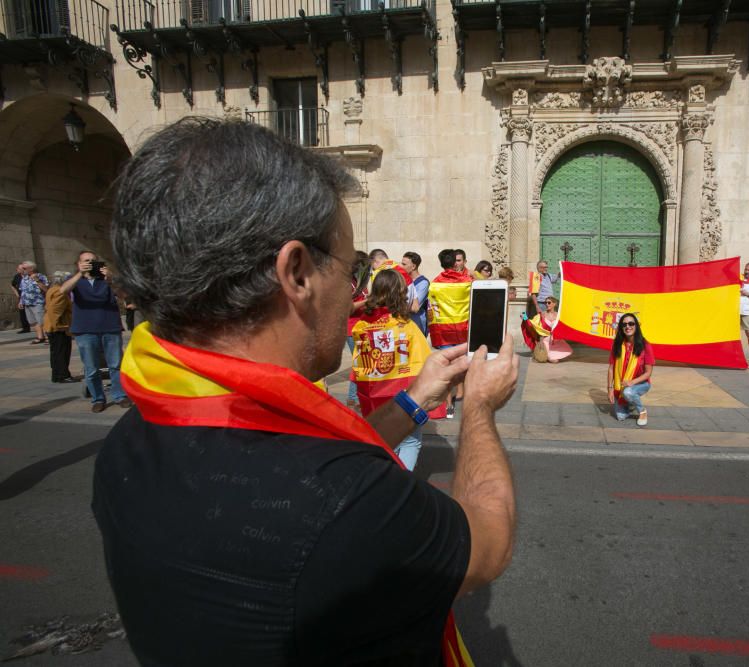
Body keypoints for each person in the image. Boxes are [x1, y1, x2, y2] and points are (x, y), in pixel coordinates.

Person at [94, 118, 519, 666]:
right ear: (296, 273)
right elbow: (489, 542)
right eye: (350, 269)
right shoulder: (349, 503)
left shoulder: (132, 438)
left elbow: (315, 453)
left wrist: (416, 397)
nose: (357, 291)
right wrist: (480, 409)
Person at [352, 269, 436, 470]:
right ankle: (400, 482)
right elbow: (425, 362)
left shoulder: (361, 326)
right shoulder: (406, 326)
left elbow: (358, 364)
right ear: (400, 293)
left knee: (380, 440)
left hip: (373, 397)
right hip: (402, 397)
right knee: (409, 441)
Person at [60, 251, 130, 412]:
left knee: (116, 365)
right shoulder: (75, 281)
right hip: (85, 330)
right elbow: (62, 291)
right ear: (78, 263)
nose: (90, 263)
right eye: (86, 261)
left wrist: (111, 280)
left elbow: (124, 296)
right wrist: (80, 274)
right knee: (91, 368)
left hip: (110, 327)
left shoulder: (106, 280)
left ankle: (120, 395)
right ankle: (98, 398)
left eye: (93, 261)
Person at [428, 248, 473, 419]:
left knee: (446, 368)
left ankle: (449, 407)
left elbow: (431, 308)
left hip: (443, 331)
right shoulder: (467, 281)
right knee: (463, 365)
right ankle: (465, 398)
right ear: (455, 262)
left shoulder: (435, 283)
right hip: (462, 330)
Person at [606, 313, 654, 427]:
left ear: (636, 326)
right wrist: (609, 389)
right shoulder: (617, 344)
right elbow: (611, 369)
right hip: (621, 385)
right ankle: (630, 402)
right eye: (624, 324)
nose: (628, 327)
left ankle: (642, 412)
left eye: (631, 323)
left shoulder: (644, 345)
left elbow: (648, 373)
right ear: (621, 328)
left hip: (641, 383)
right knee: (620, 417)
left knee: (628, 392)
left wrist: (631, 382)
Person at [344, 250, 372, 411]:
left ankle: (355, 397)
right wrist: (366, 301)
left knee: (361, 363)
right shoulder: (348, 283)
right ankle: (352, 398)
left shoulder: (358, 281)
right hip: (352, 328)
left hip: (361, 327)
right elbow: (348, 308)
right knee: (359, 364)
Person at [44, 271, 77, 383]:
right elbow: (55, 310)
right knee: (62, 352)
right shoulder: (59, 291)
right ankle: (63, 375)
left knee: (56, 352)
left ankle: (57, 375)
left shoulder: (52, 289)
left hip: (53, 326)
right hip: (59, 327)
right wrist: (59, 326)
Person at [522, 296, 572, 363]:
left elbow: (564, 326)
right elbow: (532, 324)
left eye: (549, 302)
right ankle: (546, 355)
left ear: (554, 304)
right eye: (546, 303)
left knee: (560, 357)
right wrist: (525, 317)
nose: (547, 304)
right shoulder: (542, 314)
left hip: (556, 341)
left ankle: (550, 355)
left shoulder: (558, 315)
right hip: (545, 341)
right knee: (553, 360)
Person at [18, 261, 49, 344]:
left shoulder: (40, 276)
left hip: (37, 302)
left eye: (24, 268)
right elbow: (23, 291)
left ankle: (48, 337)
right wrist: (21, 301)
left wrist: (37, 280)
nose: (22, 270)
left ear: (31, 268)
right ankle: (40, 337)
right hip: (27, 303)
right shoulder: (24, 278)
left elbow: (46, 289)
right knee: (33, 322)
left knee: (42, 321)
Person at [401, 250, 430, 335]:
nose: (401, 267)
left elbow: (413, 307)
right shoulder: (402, 280)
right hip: (403, 324)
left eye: (404, 264)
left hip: (416, 325)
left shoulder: (423, 283)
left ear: (413, 266)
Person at [10, 262, 31, 333]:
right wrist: (16, 294)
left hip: (30, 297)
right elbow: (12, 285)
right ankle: (26, 328)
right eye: (18, 268)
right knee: (22, 312)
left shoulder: (29, 275)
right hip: (21, 297)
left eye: (19, 268)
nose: (17, 269)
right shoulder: (17, 276)